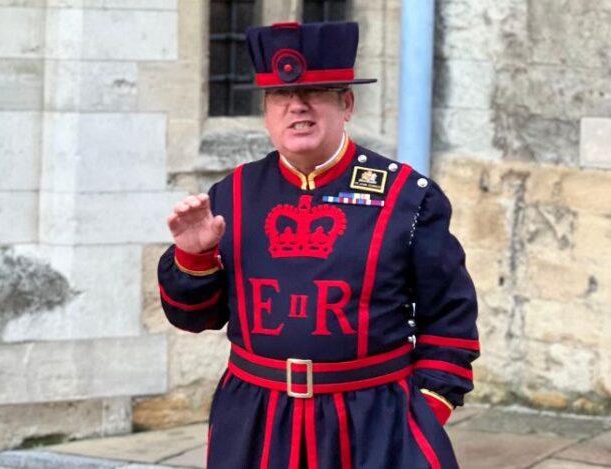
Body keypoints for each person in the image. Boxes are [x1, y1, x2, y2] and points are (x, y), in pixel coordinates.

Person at [158, 20, 479, 469]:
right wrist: (194, 257)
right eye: (281, 97)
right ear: (267, 111)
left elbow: (450, 316)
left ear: (345, 103)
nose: (297, 107)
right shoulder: (231, 196)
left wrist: (425, 412)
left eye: (316, 92)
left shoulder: (408, 196)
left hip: (374, 420)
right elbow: (193, 317)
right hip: (257, 421)